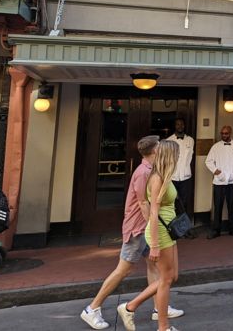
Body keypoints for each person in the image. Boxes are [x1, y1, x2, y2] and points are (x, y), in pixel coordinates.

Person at [80, 136, 184, 330]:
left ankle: (158, 307)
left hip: (147, 228)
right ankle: (92, 308)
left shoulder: (153, 170)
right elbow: (144, 205)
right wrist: (153, 236)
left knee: (155, 269)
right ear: (154, 151)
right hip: (139, 228)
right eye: (160, 147)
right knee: (124, 269)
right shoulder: (145, 173)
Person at [118, 140, 182, 331]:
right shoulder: (156, 179)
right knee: (166, 279)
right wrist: (153, 244)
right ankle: (163, 327)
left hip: (169, 230)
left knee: (172, 276)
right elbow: (153, 212)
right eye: (176, 154)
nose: (179, 157)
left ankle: (130, 307)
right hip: (160, 232)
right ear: (170, 156)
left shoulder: (165, 175)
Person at [205, 125, 233, 239]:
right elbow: (208, 161)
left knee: (231, 205)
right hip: (218, 182)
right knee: (217, 206)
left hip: (232, 181)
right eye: (222, 133)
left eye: (226, 133)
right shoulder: (215, 147)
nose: (224, 135)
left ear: (230, 133)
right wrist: (216, 172)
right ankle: (216, 230)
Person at [167, 118, 195, 217]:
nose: (180, 126)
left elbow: (190, 157)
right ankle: (173, 227)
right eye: (178, 124)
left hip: (186, 177)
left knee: (185, 202)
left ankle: (183, 228)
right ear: (175, 126)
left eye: (182, 124)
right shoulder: (169, 140)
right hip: (172, 177)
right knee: (172, 202)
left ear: (184, 126)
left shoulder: (190, 140)